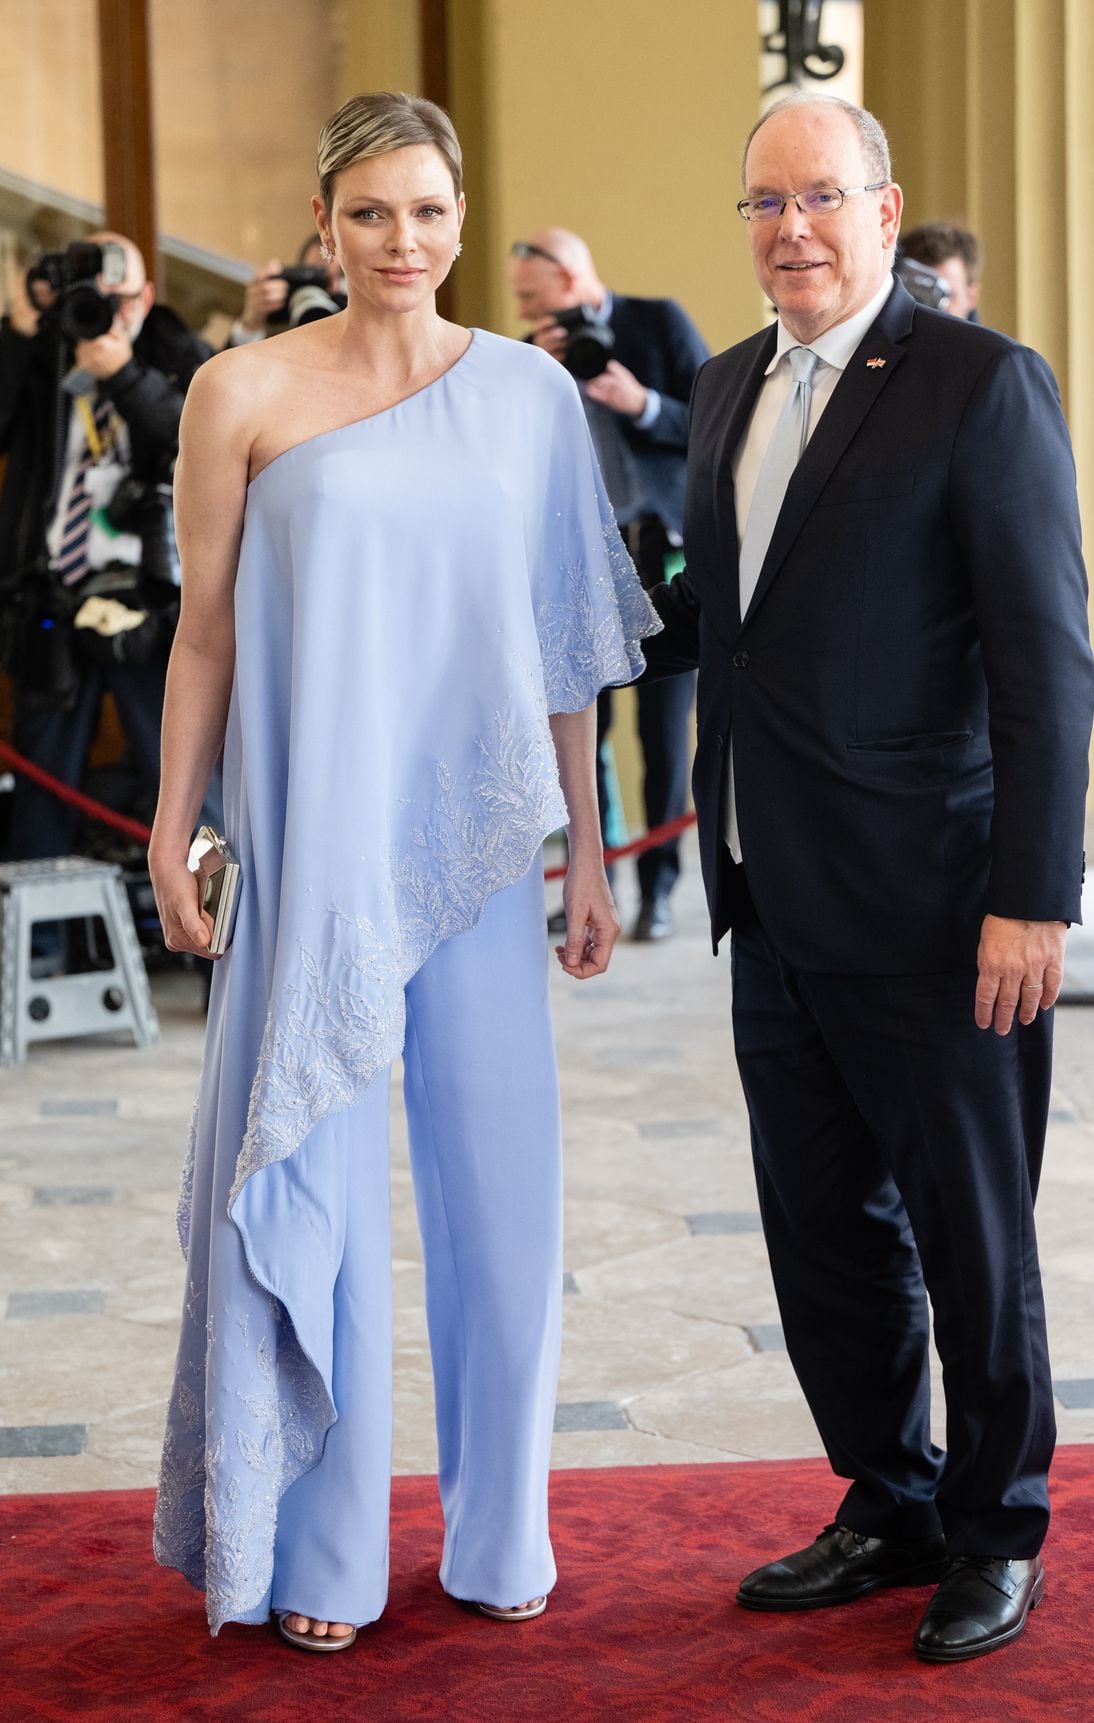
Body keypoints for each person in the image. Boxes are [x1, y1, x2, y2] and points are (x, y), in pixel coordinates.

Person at [149, 90, 657, 1651]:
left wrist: (586, 846)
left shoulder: (527, 395)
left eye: (430, 212)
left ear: (459, 216)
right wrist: (175, 819)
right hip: (312, 842)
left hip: (490, 847)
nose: (404, 242)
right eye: (371, 213)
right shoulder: (238, 390)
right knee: (314, 1179)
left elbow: (571, 642)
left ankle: (507, 1530)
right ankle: (329, 1553)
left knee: (503, 1197)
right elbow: (210, 630)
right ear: (324, 224)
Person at [643, 92, 1094, 1663]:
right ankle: (891, 1494)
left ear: (886, 211)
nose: (793, 233)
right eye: (765, 205)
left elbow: (1048, 665)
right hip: (770, 897)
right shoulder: (719, 391)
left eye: (822, 199)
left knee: (974, 1236)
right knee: (822, 1228)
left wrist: (1033, 894)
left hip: (938, 905)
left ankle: (997, 1521)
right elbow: (716, 619)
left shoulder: (980, 384)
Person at [509, 228, 706, 941]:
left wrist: (641, 402)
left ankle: (659, 889)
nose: (526, 310)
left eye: (533, 297)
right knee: (582, 730)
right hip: (579, 557)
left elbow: (716, 423)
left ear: (571, 278)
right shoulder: (531, 355)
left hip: (660, 549)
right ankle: (600, 880)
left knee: (660, 732)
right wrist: (536, 372)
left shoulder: (658, 321)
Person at [0, 232, 213, 861]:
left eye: (117, 300)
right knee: (43, 796)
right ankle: (39, 953)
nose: (103, 314)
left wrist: (122, 376)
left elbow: (196, 444)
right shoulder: (44, 356)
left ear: (146, 296)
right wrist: (16, 330)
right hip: (53, 598)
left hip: (156, 610)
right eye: (91, 298)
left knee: (187, 790)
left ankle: (218, 948)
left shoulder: (179, 354)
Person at [227, 235, 347, 345]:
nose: (334, 286)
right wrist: (251, 324)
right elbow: (231, 367)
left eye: (342, 275)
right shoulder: (278, 328)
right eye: (319, 275)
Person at [898, 220, 982, 321]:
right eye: (919, 295)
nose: (932, 311)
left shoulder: (992, 337)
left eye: (945, 295)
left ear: (972, 297)